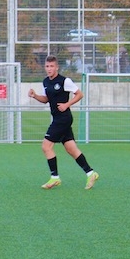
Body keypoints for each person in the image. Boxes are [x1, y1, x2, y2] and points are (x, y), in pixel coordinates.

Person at [28, 55, 100, 190]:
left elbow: (79, 94)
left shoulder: (64, 81)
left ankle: (55, 177)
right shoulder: (45, 82)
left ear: (57, 67)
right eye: (47, 66)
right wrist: (35, 96)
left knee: (46, 146)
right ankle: (91, 173)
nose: (49, 69)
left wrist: (67, 104)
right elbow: (46, 99)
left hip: (63, 119)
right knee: (71, 149)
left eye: (51, 66)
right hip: (58, 118)